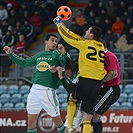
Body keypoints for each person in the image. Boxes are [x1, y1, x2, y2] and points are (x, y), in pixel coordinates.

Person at [3, 33, 70, 133]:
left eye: (56, 41)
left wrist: (64, 53)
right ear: (46, 41)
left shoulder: (57, 54)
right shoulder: (39, 55)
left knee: (58, 121)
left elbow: (67, 63)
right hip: (34, 91)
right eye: (52, 40)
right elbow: (24, 63)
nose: (55, 43)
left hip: (47, 90)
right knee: (30, 123)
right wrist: (10, 54)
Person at [53, 16, 106, 133]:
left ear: (91, 35)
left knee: (72, 98)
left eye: (87, 31)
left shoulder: (85, 44)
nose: (85, 32)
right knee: (87, 119)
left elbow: (69, 37)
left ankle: (70, 125)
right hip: (97, 83)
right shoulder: (101, 47)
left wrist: (59, 24)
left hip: (86, 79)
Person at [92, 39, 121, 133]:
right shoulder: (102, 56)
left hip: (111, 89)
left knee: (94, 114)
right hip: (106, 88)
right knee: (93, 115)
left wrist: (99, 81)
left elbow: (113, 73)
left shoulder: (108, 56)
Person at [55, 60, 80, 133]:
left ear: (74, 72)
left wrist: (61, 78)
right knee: (68, 129)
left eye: (68, 72)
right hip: (72, 105)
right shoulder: (70, 74)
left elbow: (71, 89)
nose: (66, 73)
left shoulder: (77, 77)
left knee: (69, 129)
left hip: (78, 105)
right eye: (65, 70)